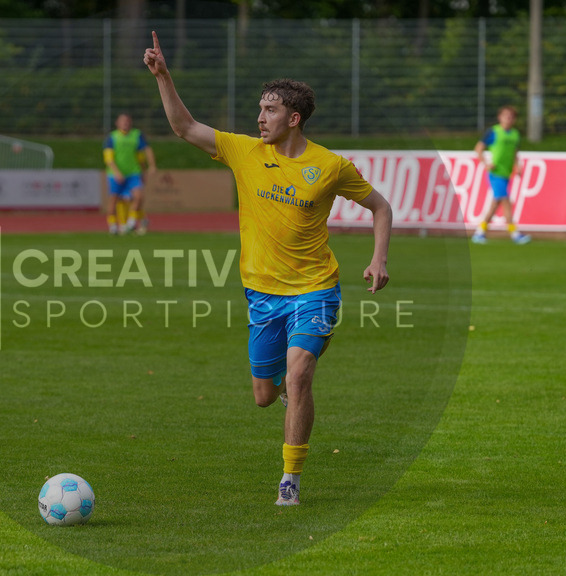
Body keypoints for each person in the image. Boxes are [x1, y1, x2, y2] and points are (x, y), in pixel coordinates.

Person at [144, 31, 393, 506]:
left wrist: (378, 257)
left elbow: (380, 206)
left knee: (299, 378)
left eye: (270, 110)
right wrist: (163, 76)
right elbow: (184, 127)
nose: (260, 118)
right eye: (260, 109)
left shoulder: (330, 166)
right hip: (261, 293)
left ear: (293, 118)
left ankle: (290, 480)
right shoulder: (244, 151)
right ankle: (286, 383)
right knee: (265, 394)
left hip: (315, 288)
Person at [471, 106, 531, 245]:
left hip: (506, 173)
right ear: (500, 117)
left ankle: (480, 232)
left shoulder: (515, 134)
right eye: (505, 115)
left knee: (495, 203)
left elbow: (514, 152)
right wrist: (485, 163)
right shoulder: (494, 131)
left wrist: (517, 165)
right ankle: (514, 233)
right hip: (495, 173)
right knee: (506, 201)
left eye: (511, 116)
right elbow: (478, 148)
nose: (508, 118)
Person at [104, 113, 157, 235]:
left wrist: (146, 169)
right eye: (123, 121)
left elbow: (142, 154)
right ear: (117, 123)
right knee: (114, 201)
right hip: (115, 174)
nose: (125, 123)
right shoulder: (112, 137)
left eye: (127, 121)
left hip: (133, 173)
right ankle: (113, 226)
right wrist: (117, 173)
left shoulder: (136, 135)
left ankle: (131, 222)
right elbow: (108, 159)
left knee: (139, 197)